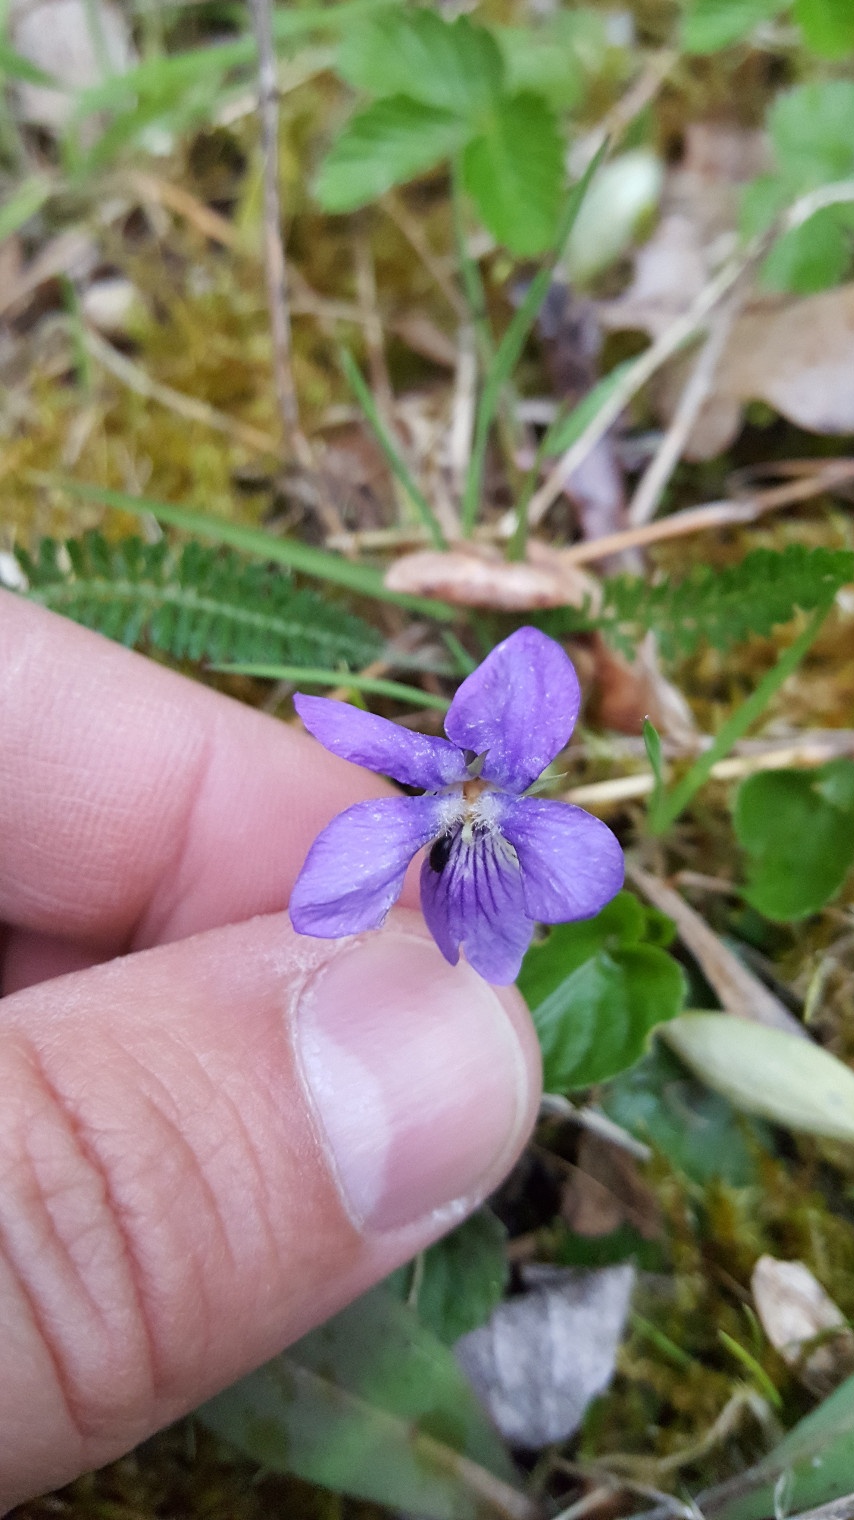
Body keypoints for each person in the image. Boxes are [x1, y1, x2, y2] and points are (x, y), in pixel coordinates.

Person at [0, 592, 541, 1512]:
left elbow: (561, 856)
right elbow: (331, 894)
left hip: (470, 844)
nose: (470, 803)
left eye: (478, 796)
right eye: (464, 795)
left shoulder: (485, 806)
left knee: (467, 930)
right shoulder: (441, 808)